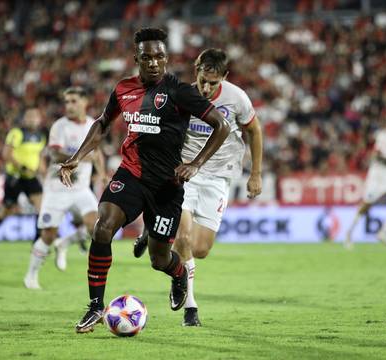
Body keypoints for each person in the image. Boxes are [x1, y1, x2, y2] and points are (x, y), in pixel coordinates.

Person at [59, 28, 230, 333]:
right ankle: (96, 306)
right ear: (136, 58)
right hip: (132, 173)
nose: (153, 63)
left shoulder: (179, 92)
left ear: (167, 58)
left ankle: (178, 274)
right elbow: (101, 123)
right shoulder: (123, 89)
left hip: (166, 185)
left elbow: (221, 126)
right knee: (103, 227)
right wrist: (76, 157)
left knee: (159, 258)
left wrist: (195, 163)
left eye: (159, 56)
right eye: (147, 57)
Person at [133, 48, 263, 326]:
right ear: (197, 72)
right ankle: (190, 307)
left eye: (213, 83)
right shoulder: (183, 97)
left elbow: (254, 130)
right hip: (186, 174)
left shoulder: (237, 98)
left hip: (219, 177)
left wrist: (256, 174)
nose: (205, 87)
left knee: (201, 249)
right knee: (184, 238)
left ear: (224, 77)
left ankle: (154, 227)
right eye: (202, 80)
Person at [24, 87, 107, 289]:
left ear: (85, 102)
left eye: (73, 101)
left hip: (80, 190)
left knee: (97, 227)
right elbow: (54, 155)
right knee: (48, 235)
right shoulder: (59, 126)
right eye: (67, 102)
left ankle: (66, 243)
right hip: (57, 189)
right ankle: (31, 275)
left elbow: (98, 153)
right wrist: (80, 158)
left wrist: (102, 174)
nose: (69, 106)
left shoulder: (92, 125)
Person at [0, 108, 46, 258]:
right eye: (29, 117)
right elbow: (6, 154)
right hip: (15, 176)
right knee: (6, 210)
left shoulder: (41, 136)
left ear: (39, 119)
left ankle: (36, 244)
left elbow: (39, 157)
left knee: (41, 207)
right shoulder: (16, 133)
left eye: (35, 117)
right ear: (24, 119)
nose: (32, 120)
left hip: (30, 177)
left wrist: (43, 171)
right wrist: (22, 167)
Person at [345, 115, 386, 249]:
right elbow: (377, 155)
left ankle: (383, 232)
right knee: (367, 204)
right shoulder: (383, 136)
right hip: (378, 174)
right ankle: (349, 232)